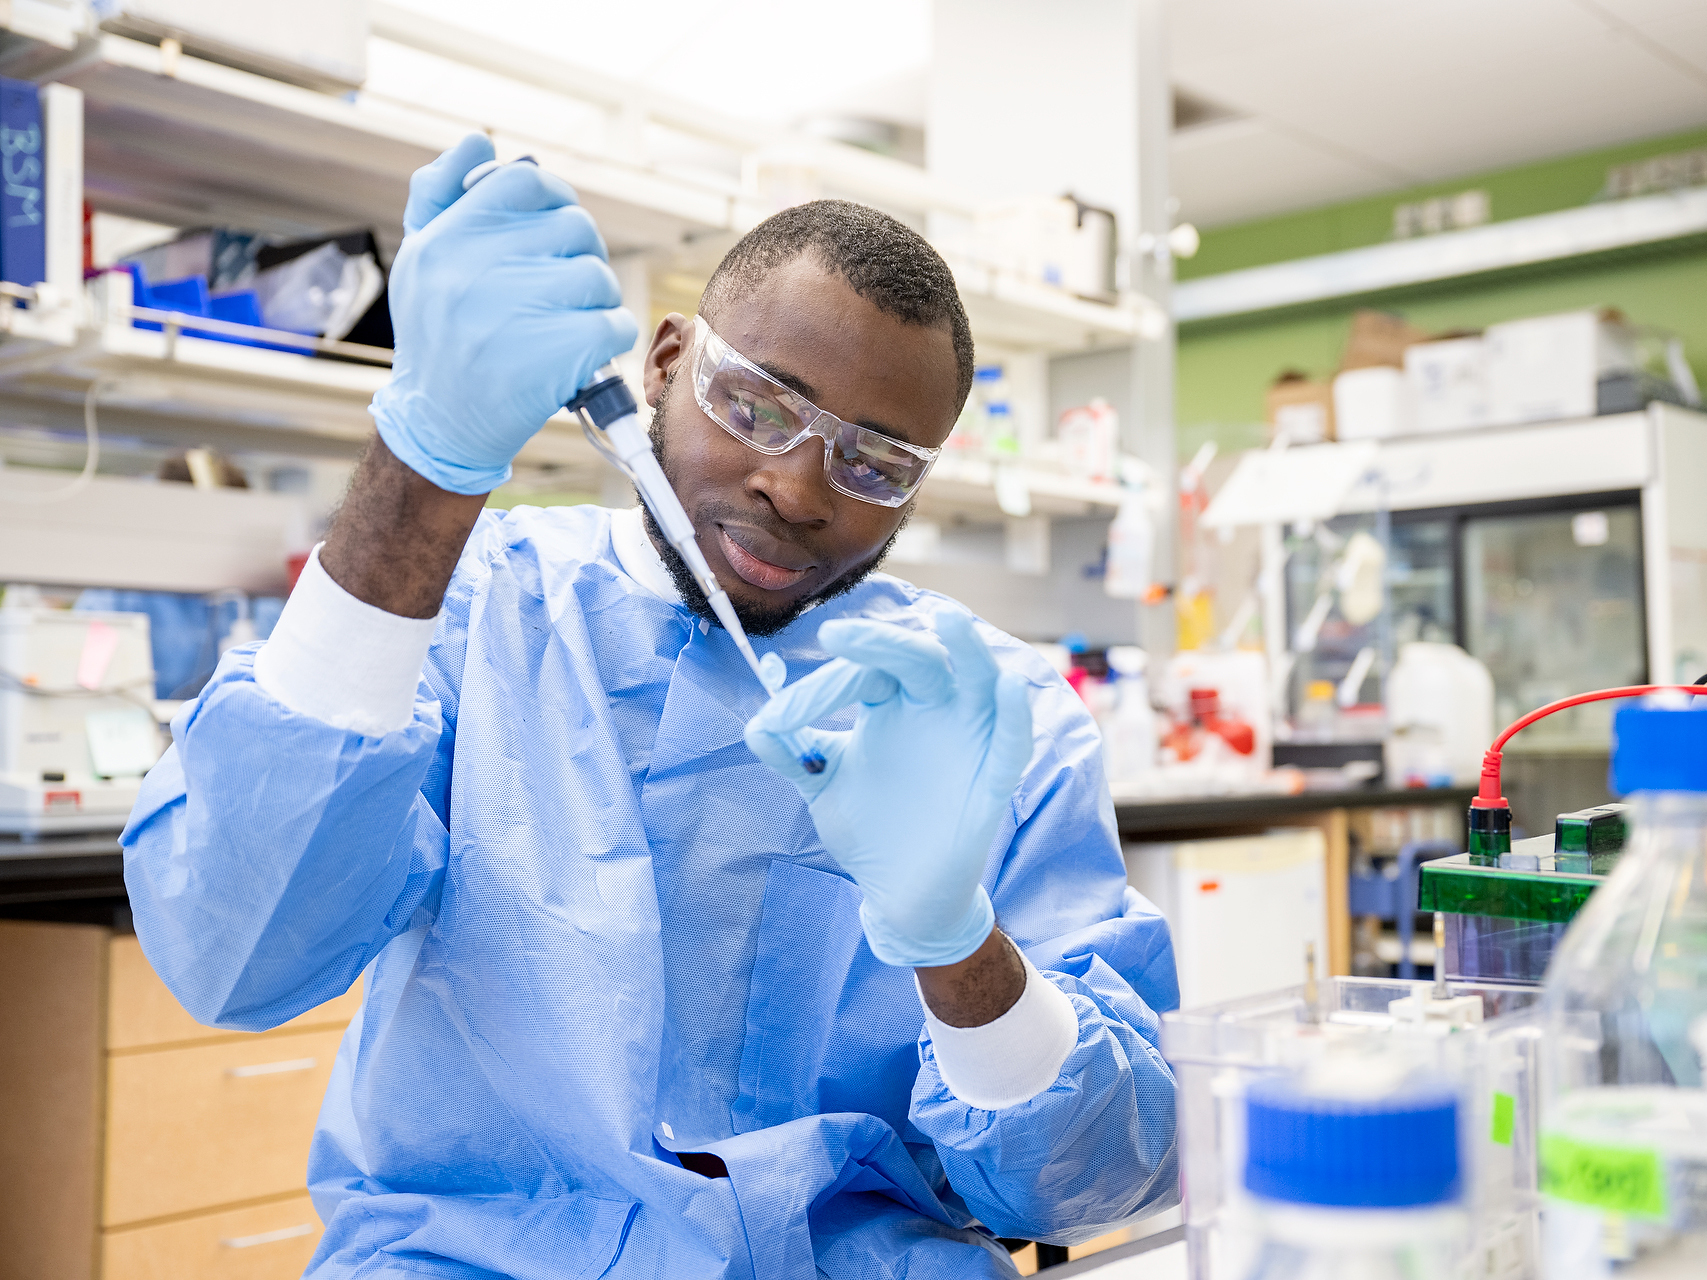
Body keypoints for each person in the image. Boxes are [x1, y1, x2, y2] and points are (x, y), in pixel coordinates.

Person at [122, 134, 1178, 1278]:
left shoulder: (985, 719)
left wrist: (956, 942)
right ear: (666, 360)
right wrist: (422, 454)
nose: (798, 486)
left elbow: (1103, 1179)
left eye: (876, 464)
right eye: (759, 406)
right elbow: (235, 952)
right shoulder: (466, 618)